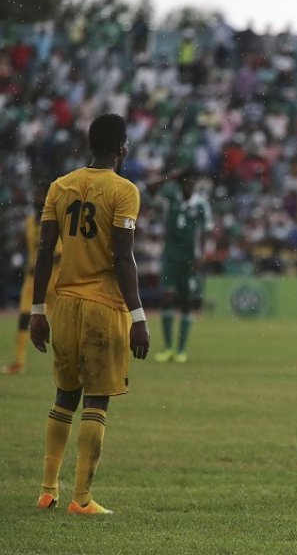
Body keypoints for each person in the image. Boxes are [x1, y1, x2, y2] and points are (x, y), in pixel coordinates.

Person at [29, 113, 150, 515]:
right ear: (121, 148)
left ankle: (48, 490)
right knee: (96, 401)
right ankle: (81, 499)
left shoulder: (60, 186)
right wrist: (138, 316)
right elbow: (123, 257)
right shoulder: (124, 190)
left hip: (62, 303)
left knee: (65, 395)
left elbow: (45, 252)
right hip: (102, 306)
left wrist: (37, 310)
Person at [146, 167, 213, 364]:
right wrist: (170, 176)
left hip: (190, 260)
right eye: (187, 182)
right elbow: (149, 189)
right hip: (170, 258)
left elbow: (207, 232)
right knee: (167, 297)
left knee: (186, 303)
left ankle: (181, 350)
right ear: (181, 183)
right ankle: (167, 348)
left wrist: (202, 257)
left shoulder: (201, 204)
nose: (190, 186)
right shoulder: (170, 200)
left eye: (193, 183)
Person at [3, 184, 61, 374]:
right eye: (35, 195)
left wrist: (42, 259)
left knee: (59, 326)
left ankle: (64, 364)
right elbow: (27, 246)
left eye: (39, 196)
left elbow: (59, 253)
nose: (36, 200)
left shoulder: (57, 222)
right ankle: (18, 363)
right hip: (32, 279)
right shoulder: (29, 222)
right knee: (23, 318)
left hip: (54, 279)